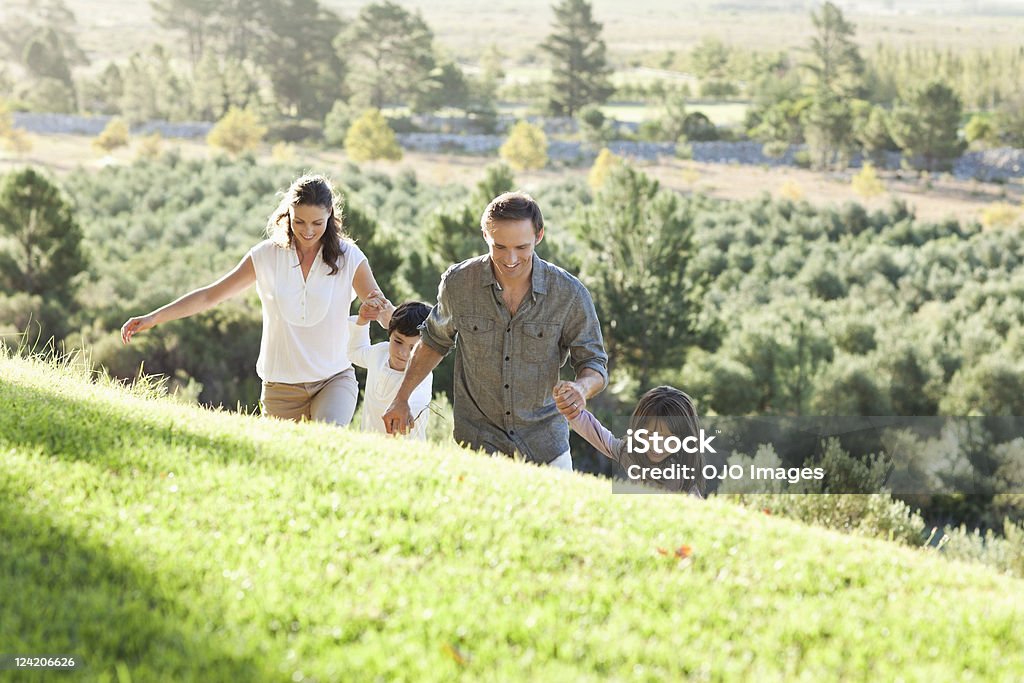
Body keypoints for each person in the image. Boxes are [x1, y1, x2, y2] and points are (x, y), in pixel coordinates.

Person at [120, 174, 391, 426]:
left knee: (328, 441)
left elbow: (382, 309)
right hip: (280, 386)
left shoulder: (349, 257)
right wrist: (154, 318)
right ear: (289, 215)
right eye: (299, 222)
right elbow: (209, 295)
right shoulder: (266, 256)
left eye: (317, 223)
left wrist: (424, 335)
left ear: (330, 214)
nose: (307, 231)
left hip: (334, 378)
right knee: (285, 465)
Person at [382, 191, 608, 471]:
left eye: (521, 248)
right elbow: (433, 342)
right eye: (499, 246)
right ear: (485, 236)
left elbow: (594, 362)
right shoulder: (459, 283)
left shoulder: (569, 294)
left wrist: (581, 388)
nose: (510, 258)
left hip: (545, 443)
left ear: (539, 236)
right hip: (478, 442)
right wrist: (401, 398)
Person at [558, 385, 706, 496]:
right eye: (648, 434)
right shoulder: (631, 453)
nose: (657, 445)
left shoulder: (683, 471)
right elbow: (600, 436)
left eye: (668, 438)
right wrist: (572, 410)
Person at [348, 299, 433, 440]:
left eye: (413, 348)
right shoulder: (380, 353)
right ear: (390, 333)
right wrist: (363, 319)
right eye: (398, 342)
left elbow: (416, 404)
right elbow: (355, 352)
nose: (403, 353)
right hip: (369, 446)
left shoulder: (422, 374)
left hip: (406, 453)